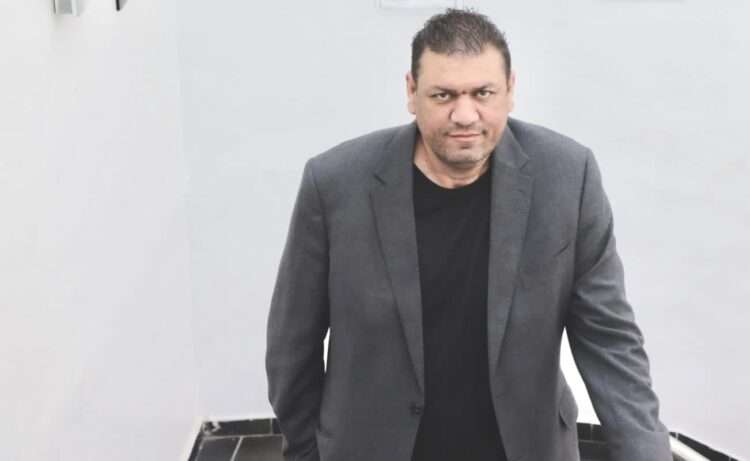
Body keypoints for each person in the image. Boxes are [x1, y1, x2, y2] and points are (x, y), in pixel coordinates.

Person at [266, 8, 671, 461]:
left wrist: (646, 453)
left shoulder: (568, 177)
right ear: (411, 92)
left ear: (510, 91)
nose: (464, 114)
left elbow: (610, 339)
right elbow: (291, 344)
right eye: (443, 95)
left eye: (483, 93)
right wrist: (308, 452)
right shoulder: (335, 183)